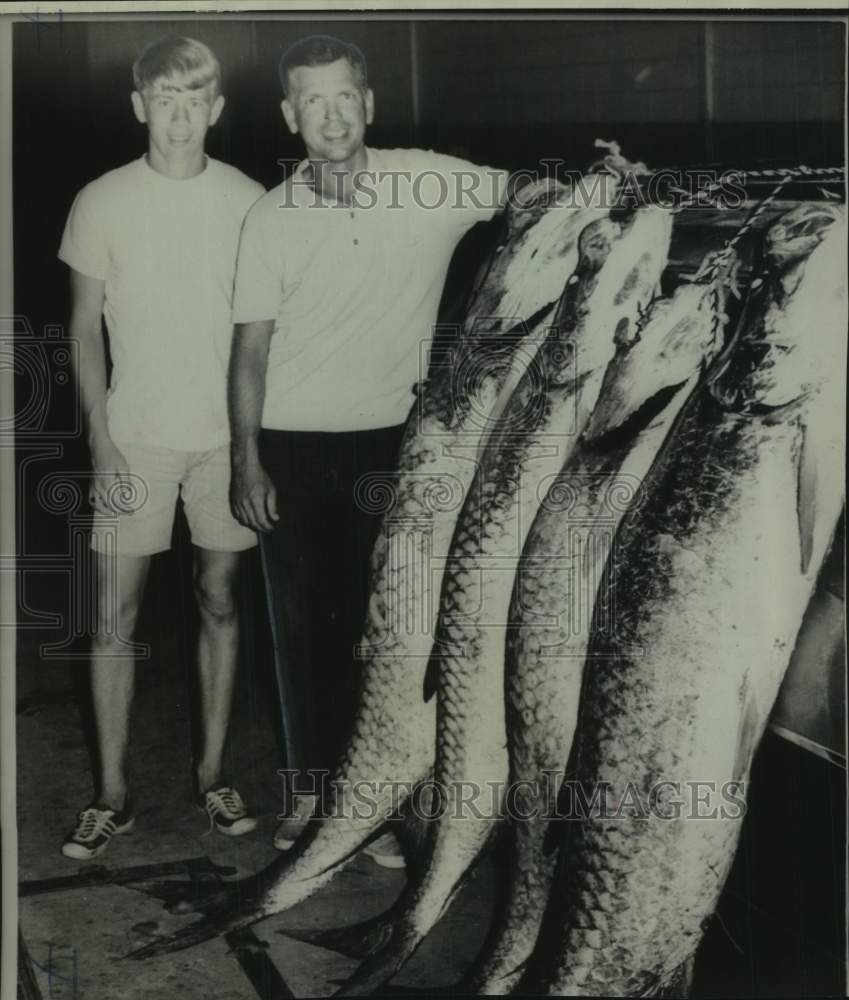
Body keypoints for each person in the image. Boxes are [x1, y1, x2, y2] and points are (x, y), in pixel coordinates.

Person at [228, 35, 552, 867]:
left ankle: (378, 801)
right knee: (301, 629)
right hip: (293, 444)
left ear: (367, 104)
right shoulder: (268, 218)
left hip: (396, 450)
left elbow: (527, 195)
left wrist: (595, 188)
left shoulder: (428, 177)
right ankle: (310, 796)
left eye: (344, 97)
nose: (329, 114)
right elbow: (250, 353)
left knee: (392, 633)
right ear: (289, 114)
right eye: (312, 100)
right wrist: (246, 458)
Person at [58, 36, 265, 860]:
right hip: (133, 440)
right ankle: (111, 793)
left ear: (214, 109)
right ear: (140, 105)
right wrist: (100, 444)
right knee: (114, 615)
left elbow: (262, 333)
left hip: (223, 440)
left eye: (195, 100)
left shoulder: (251, 201)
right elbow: (81, 329)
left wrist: (252, 447)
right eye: (164, 99)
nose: (179, 116)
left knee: (219, 599)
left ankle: (212, 774)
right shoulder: (101, 200)